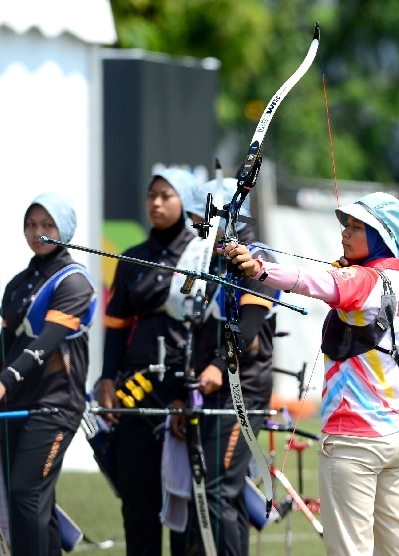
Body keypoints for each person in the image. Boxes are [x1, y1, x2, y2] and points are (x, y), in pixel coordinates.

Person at [222, 192, 399, 556]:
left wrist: (259, 270)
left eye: (356, 227)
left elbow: (312, 281)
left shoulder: (363, 281)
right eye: (346, 225)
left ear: (382, 237)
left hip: (354, 440)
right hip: (395, 435)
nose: (345, 233)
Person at [169, 177, 279, 556]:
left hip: (241, 391)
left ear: (229, 216)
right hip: (206, 390)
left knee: (219, 488)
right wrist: (187, 393)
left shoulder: (259, 259)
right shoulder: (208, 257)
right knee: (210, 492)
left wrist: (217, 367)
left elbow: (247, 329)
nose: (198, 228)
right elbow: (194, 331)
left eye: (204, 219)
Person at [97, 168, 196, 556]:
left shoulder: (201, 254)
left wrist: (187, 392)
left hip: (184, 390)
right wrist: (107, 378)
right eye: (151, 195)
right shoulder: (132, 257)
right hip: (135, 388)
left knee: (183, 505)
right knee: (138, 502)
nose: (155, 203)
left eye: (165, 196)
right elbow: (116, 325)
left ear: (184, 201)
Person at [0, 193, 96, 556]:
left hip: (54, 407)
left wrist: (4, 380)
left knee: (26, 493)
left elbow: (46, 343)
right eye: (31, 224)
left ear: (64, 230)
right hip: (16, 404)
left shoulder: (74, 281)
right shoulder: (19, 282)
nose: (37, 232)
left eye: (47, 225)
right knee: (31, 498)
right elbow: (6, 344)